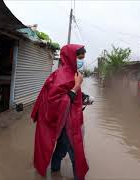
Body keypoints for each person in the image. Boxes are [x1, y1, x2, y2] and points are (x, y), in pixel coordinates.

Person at [31, 44, 89, 180]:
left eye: (83, 58)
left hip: (70, 119)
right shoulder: (62, 75)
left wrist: (82, 96)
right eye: (80, 57)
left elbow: (70, 96)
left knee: (61, 150)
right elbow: (55, 102)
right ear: (70, 57)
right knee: (76, 155)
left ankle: (55, 172)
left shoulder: (72, 73)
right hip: (66, 123)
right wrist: (76, 86)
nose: (81, 61)